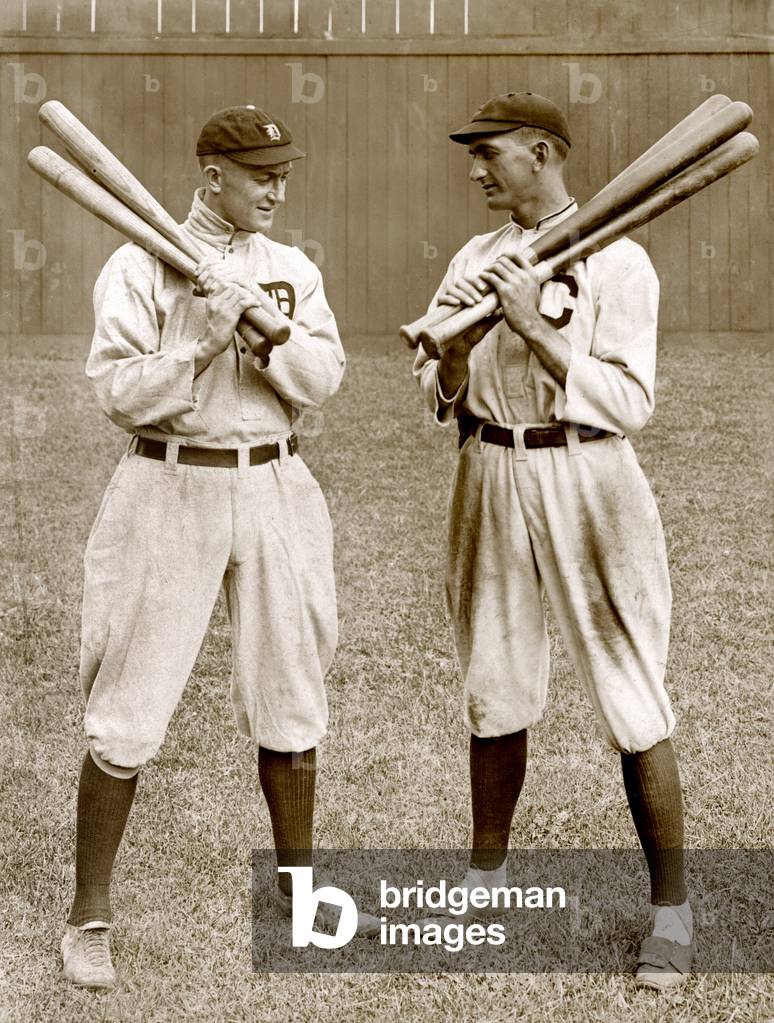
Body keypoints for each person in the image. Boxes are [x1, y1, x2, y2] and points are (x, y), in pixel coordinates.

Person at [62, 105, 375, 990]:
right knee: (129, 702)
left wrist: (267, 333)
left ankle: (300, 900)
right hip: (169, 482)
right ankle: (89, 918)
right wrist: (199, 347)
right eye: (259, 175)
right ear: (212, 175)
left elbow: (324, 379)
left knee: (292, 692)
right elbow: (115, 392)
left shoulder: (292, 269)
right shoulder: (138, 263)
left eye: (283, 174)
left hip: (275, 479)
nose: (277, 190)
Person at [413, 92, 693, 989]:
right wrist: (456, 351)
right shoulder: (475, 257)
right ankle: (485, 884)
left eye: (489, 153)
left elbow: (631, 400)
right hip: (490, 468)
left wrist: (531, 325)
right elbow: (437, 387)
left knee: (630, 688)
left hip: (589, 473)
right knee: (493, 682)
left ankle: (673, 912)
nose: (475, 170)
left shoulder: (620, 258)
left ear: (540, 153)